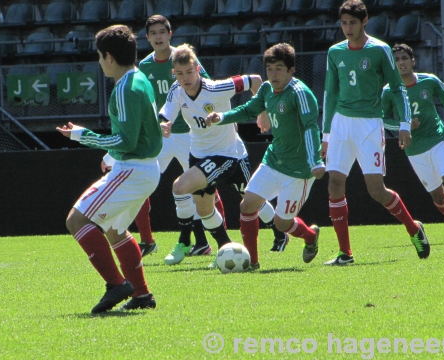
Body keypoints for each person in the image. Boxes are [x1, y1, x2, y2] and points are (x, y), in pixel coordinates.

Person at [56, 25, 160, 313]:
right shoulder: (139, 78)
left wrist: (81, 135)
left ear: (109, 57)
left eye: (100, 57)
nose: (100, 62)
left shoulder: (126, 87)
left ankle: (117, 285)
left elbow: (125, 140)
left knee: (76, 221)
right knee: (115, 230)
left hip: (133, 168)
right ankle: (142, 295)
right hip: (143, 168)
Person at [321, 0, 430, 265]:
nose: (347, 28)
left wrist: (404, 124)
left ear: (364, 21)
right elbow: (330, 93)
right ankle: (345, 253)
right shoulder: (335, 52)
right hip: (340, 124)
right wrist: (325, 135)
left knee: (376, 190)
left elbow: (397, 88)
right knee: (335, 183)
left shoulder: (380, 50)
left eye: (352, 23)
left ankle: (414, 228)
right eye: (343, 23)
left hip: (369, 125)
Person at [206, 43, 325, 268]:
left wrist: (315, 161)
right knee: (247, 205)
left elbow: (311, 127)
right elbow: (249, 109)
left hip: (299, 170)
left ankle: (310, 236)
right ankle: (252, 262)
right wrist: (222, 117)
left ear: (291, 70)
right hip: (273, 160)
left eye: (279, 68)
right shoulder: (267, 89)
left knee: (281, 223)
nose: (273, 74)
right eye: (269, 69)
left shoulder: (301, 94)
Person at [160, 44, 278, 268]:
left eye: (189, 72)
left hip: (226, 154)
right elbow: (165, 115)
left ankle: (184, 240)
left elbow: (255, 80)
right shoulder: (176, 90)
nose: (185, 78)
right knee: (204, 209)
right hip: (199, 155)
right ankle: (225, 247)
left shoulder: (216, 88)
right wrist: (163, 124)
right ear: (173, 73)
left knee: (180, 187)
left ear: (197, 68)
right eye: (179, 73)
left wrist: (262, 113)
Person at [135, 15, 228, 260]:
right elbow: (146, 102)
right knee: (139, 183)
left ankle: (221, 245)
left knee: (206, 189)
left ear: (170, 34)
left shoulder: (185, 59)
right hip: (162, 137)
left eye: (161, 32)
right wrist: (155, 124)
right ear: (147, 38)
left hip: (190, 134)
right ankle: (147, 240)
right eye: (153, 33)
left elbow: (207, 85)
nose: (158, 37)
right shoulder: (144, 67)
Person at [382, 43, 444, 243]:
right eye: (396, 60)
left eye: (404, 58)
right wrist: (403, 125)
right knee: (438, 197)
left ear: (413, 61)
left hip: (437, 139)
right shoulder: (389, 91)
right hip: (414, 149)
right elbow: (382, 118)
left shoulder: (428, 81)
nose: (401, 63)